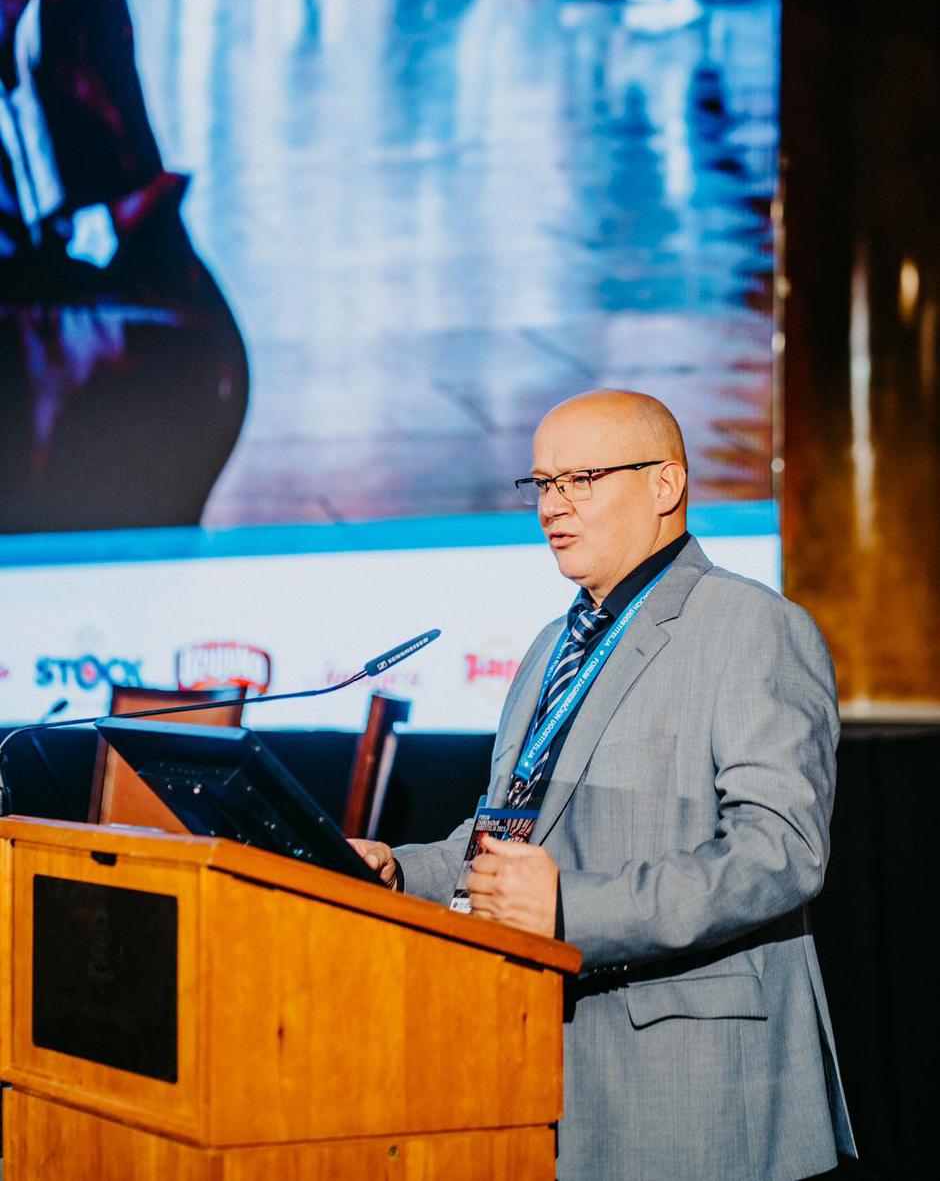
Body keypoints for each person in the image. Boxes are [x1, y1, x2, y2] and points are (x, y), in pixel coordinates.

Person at [352, 388, 856, 1181]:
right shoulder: (548, 646)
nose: (553, 505)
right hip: (545, 1067)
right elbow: (508, 834)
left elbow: (780, 852)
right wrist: (401, 873)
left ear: (665, 485)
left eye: (582, 479)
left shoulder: (752, 624)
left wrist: (570, 909)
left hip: (694, 1085)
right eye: (543, 483)